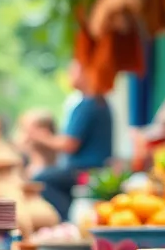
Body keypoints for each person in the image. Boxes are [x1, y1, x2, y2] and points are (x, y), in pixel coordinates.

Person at [29, 61, 115, 219]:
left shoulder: (89, 104)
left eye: (72, 71)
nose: (69, 75)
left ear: (85, 73)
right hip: (90, 169)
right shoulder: (97, 102)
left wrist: (41, 137)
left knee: (40, 180)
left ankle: (64, 221)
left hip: (85, 171)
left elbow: (69, 144)